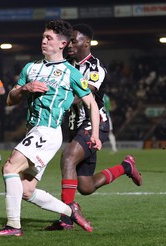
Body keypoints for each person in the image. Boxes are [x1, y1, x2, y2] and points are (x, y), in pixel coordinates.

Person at [0, 20, 102, 237]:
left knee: (10, 168)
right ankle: (70, 211)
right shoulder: (30, 68)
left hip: (48, 131)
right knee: (27, 190)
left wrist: (95, 134)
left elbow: (92, 104)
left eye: (49, 38)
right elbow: (11, 99)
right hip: (34, 130)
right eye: (43, 37)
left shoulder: (71, 73)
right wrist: (25, 88)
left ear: (62, 43)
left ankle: (13, 226)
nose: (44, 41)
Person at [45, 24, 142, 231]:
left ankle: (66, 217)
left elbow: (81, 96)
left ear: (86, 43)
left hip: (94, 124)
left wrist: (53, 98)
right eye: (68, 41)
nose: (69, 44)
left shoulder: (96, 68)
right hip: (74, 127)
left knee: (68, 157)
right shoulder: (66, 64)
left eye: (74, 40)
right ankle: (126, 167)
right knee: (86, 186)